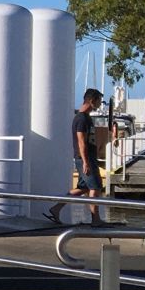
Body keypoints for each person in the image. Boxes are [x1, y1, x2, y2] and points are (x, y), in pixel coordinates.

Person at [49, 88, 105, 225]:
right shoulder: (81, 119)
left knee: (83, 188)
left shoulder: (87, 118)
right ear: (92, 101)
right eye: (98, 101)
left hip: (88, 157)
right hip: (85, 158)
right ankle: (95, 219)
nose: (99, 104)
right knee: (95, 187)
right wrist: (86, 162)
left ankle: (56, 208)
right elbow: (81, 142)